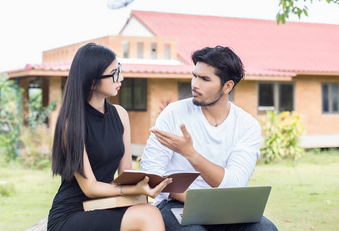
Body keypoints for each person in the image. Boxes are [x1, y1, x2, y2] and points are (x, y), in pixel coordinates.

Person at [140, 46, 278, 231]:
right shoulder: (174, 113)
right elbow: (151, 172)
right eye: (194, 75)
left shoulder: (247, 125)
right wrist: (193, 199)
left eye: (205, 79)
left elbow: (234, 184)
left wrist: (191, 154)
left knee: (266, 229)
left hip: (226, 207)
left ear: (228, 86)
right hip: (177, 203)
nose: (195, 84)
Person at [47, 43, 172, 231]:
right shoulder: (71, 123)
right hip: (71, 213)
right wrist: (134, 190)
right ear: (91, 81)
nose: (120, 77)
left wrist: (146, 184)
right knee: (149, 215)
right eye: (114, 73)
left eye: (119, 70)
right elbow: (90, 187)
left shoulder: (120, 115)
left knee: (148, 210)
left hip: (105, 205)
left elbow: (125, 175)